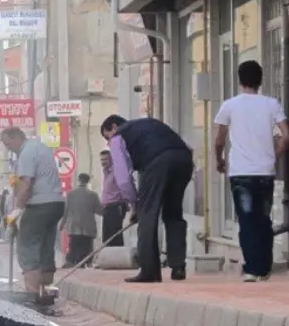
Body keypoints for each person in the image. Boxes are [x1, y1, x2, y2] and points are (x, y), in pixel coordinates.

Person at [214, 60, 289, 283]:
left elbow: (219, 139)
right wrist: (275, 154)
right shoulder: (271, 104)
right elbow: (287, 134)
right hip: (265, 171)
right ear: (261, 80)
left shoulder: (229, 105)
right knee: (263, 218)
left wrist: (219, 159)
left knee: (247, 220)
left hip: (240, 172)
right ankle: (264, 268)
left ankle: (253, 268)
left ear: (239, 80)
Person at [101, 114, 194, 283]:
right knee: (173, 213)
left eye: (107, 137)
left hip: (157, 163)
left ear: (113, 128)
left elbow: (123, 179)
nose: (109, 142)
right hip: (184, 160)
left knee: (148, 216)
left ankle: (150, 271)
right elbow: (186, 146)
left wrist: (136, 205)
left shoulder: (117, 137)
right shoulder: (150, 123)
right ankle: (178, 266)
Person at [0, 127, 66, 303]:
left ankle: (32, 296)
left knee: (27, 246)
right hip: (56, 204)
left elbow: (26, 183)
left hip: (39, 205)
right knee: (46, 246)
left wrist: (16, 211)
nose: (8, 148)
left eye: (7, 143)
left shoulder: (26, 153)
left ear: (15, 137)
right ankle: (46, 293)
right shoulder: (41, 147)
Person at [63, 173, 102, 267]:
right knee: (86, 247)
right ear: (88, 181)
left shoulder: (70, 194)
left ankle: (71, 262)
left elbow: (66, 210)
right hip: (87, 227)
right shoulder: (93, 195)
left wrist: (63, 222)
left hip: (74, 225)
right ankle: (85, 263)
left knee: (74, 245)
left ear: (78, 180)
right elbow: (99, 211)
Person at [99, 149, 129, 247]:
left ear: (111, 159)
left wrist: (126, 203)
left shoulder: (116, 171)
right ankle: (109, 260)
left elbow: (124, 186)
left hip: (116, 207)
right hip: (107, 208)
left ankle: (117, 260)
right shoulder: (106, 172)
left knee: (115, 237)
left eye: (106, 159)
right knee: (107, 238)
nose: (103, 162)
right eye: (102, 160)